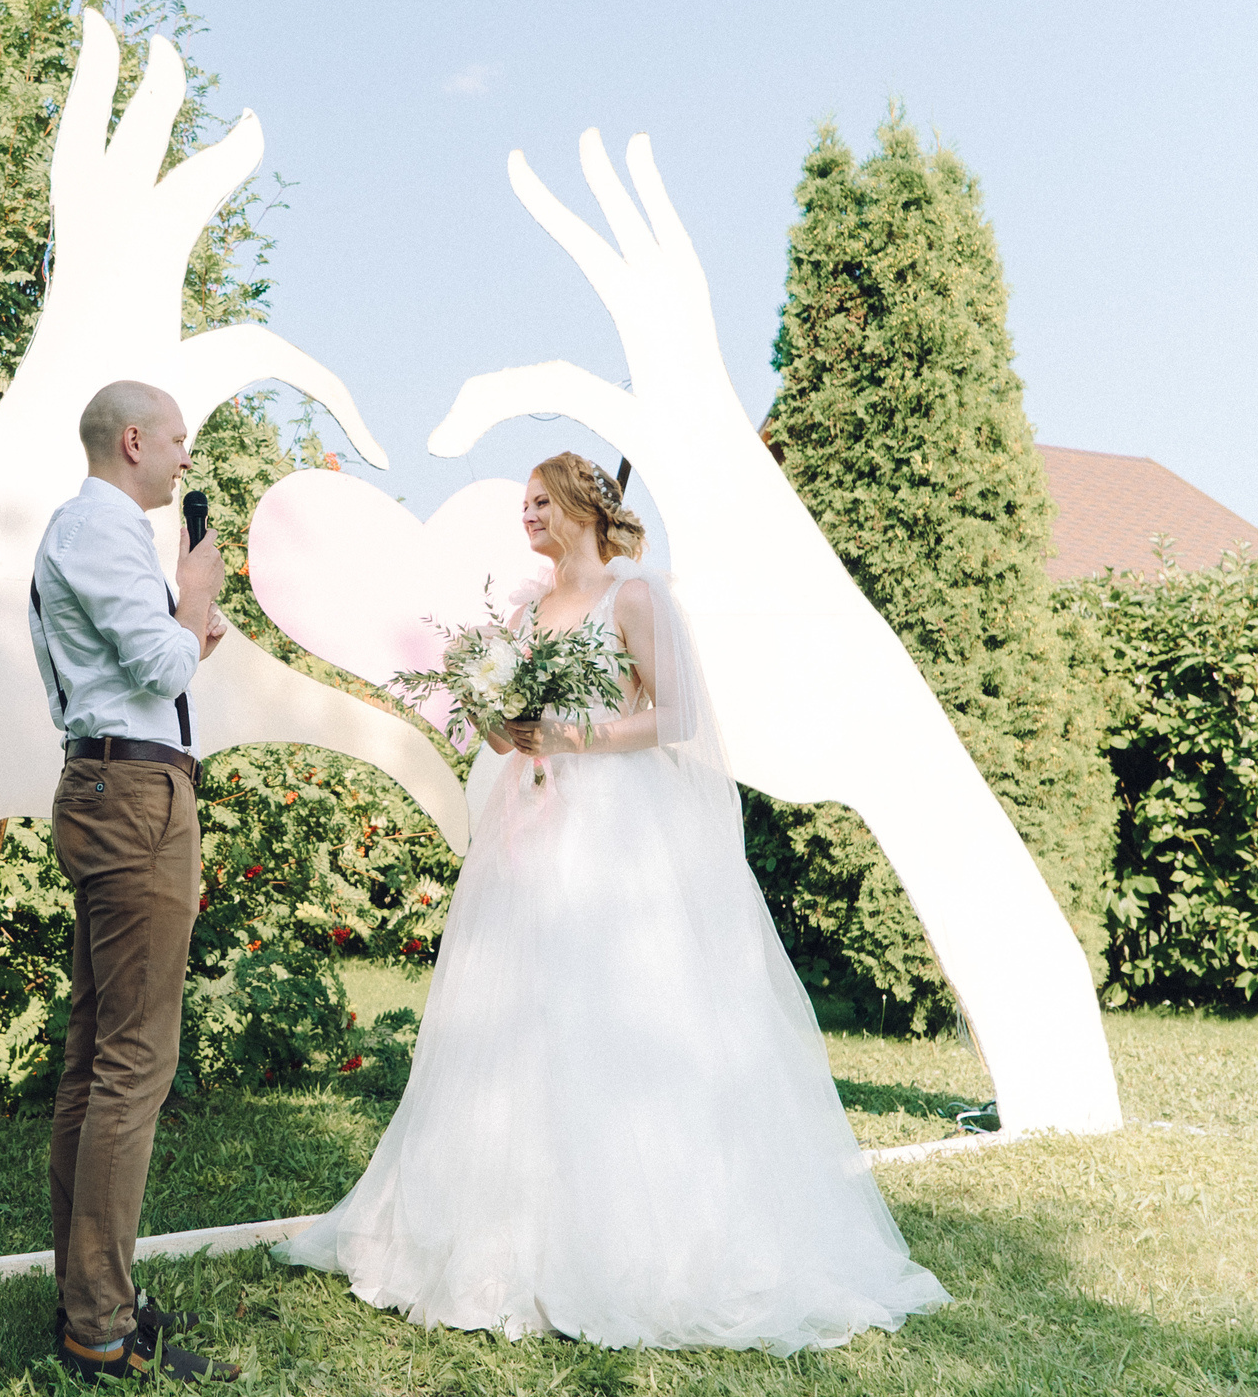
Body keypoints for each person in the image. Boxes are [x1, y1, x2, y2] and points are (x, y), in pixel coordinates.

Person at [277, 452, 951, 1354]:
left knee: (611, 1009)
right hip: (529, 826)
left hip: (618, 831)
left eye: (540, 502)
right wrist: (501, 721)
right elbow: (504, 728)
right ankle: (499, 1237)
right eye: (523, 504)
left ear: (585, 507)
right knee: (516, 1013)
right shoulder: (523, 610)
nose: (527, 516)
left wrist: (572, 735)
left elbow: (676, 718)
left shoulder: (635, 597)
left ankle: (640, 1238)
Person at [29, 380, 239, 1383]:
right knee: (133, 1063)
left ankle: (89, 1298)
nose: (186, 458)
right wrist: (193, 598)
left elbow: (152, 665)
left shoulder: (90, 533)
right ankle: (100, 1326)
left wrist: (189, 623)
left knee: (95, 1057)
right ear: (133, 441)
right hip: (134, 797)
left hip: (117, 784)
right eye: (179, 440)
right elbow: (160, 665)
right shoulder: (103, 530)